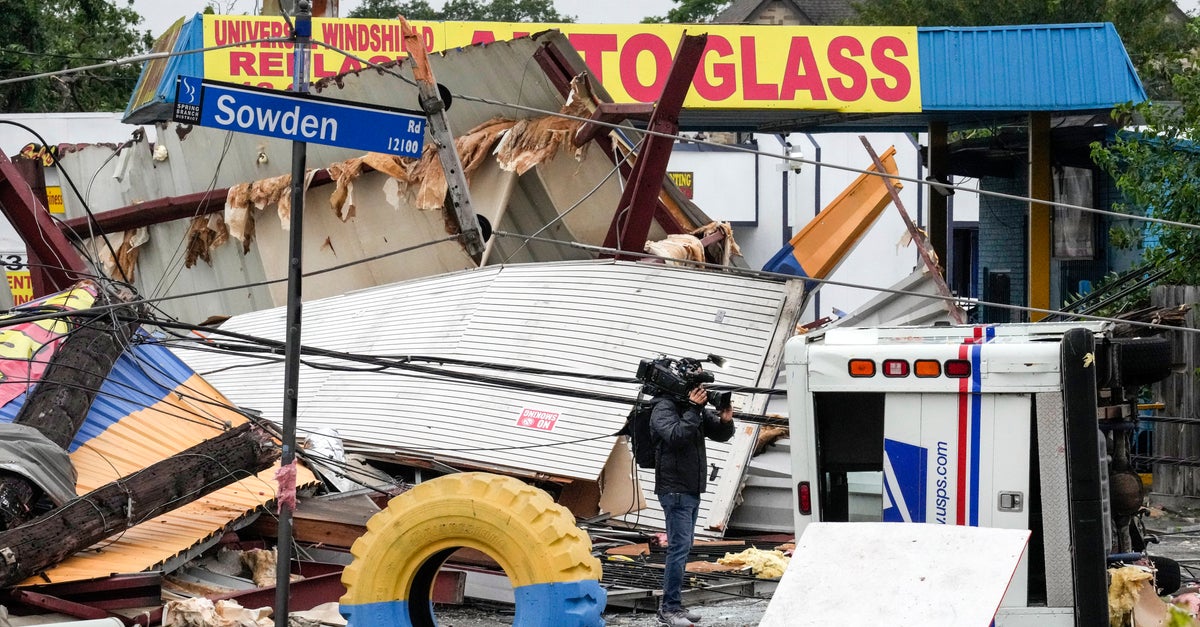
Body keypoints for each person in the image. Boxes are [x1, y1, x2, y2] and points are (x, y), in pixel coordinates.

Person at [649, 384, 735, 627]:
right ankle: (669, 609)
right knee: (678, 549)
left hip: (690, 488)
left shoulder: (691, 409)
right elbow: (676, 436)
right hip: (674, 489)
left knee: (683, 549)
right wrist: (693, 409)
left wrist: (726, 421)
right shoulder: (663, 406)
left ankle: (674, 605)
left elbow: (719, 433)